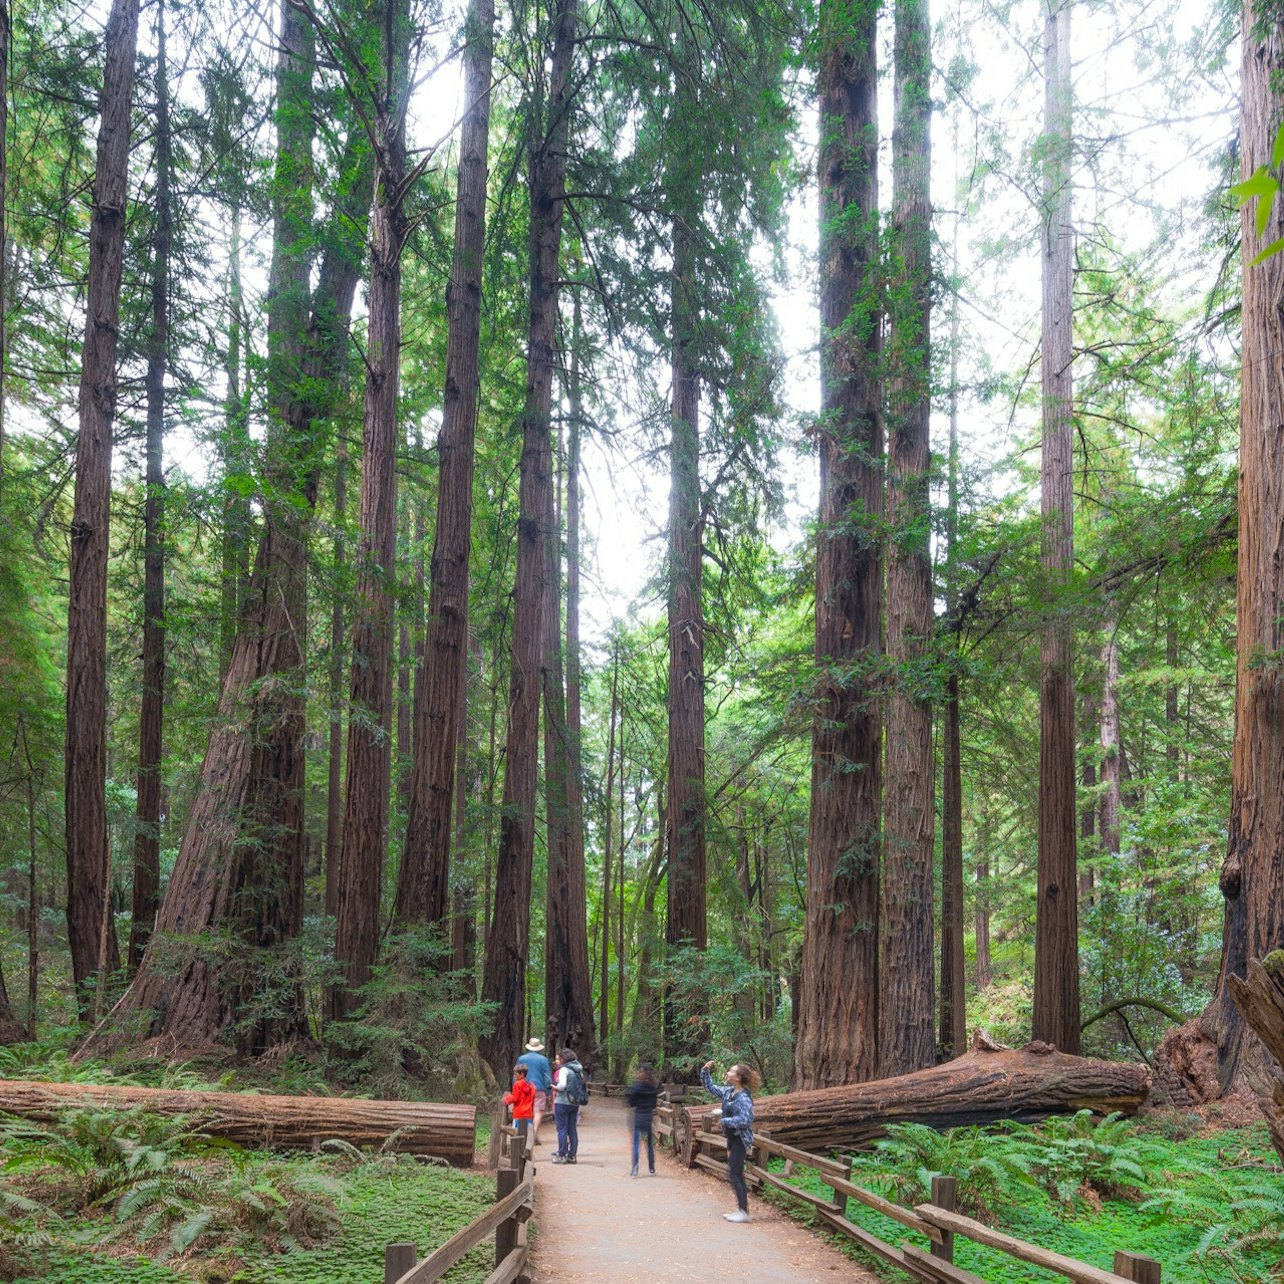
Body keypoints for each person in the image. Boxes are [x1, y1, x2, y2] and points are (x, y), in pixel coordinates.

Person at [701, 1058, 758, 1222]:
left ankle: (743, 1212)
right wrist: (705, 1071)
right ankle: (741, 1210)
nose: (728, 1073)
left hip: (741, 1139)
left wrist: (725, 1120)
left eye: (732, 1071)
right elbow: (710, 1088)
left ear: (738, 1077)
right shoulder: (729, 1092)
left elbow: (746, 1119)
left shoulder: (743, 1098)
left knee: (733, 1172)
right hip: (732, 1138)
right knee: (736, 1173)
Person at [551, 1047, 586, 1164]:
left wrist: (553, 1086)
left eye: (558, 1058)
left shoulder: (564, 1070)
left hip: (562, 1102)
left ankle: (562, 1154)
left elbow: (562, 1086)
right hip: (574, 1103)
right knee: (572, 1129)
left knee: (562, 1129)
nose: (557, 1061)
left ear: (563, 1059)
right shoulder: (578, 1070)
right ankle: (572, 1155)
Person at [625, 1063, 659, 1177]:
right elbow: (654, 1105)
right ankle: (651, 1168)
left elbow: (630, 1102)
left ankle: (635, 1168)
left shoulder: (635, 1087)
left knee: (636, 1143)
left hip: (638, 1117)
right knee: (649, 1144)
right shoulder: (653, 1088)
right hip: (648, 1117)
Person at [516, 1038, 553, 1146]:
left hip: (524, 1088)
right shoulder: (543, 1060)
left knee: (526, 1110)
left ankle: (526, 1134)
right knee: (538, 1111)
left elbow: (517, 1074)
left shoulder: (521, 1058)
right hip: (539, 1088)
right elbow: (547, 1077)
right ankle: (534, 1133)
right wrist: (548, 1091)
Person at [503, 1063, 535, 1137]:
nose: (514, 1076)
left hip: (519, 1114)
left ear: (522, 1074)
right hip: (528, 1114)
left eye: (516, 1074)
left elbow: (515, 1098)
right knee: (527, 1135)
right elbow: (532, 1098)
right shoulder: (531, 1086)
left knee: (516, 1134)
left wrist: (506, 1099)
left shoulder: (517, 1084)